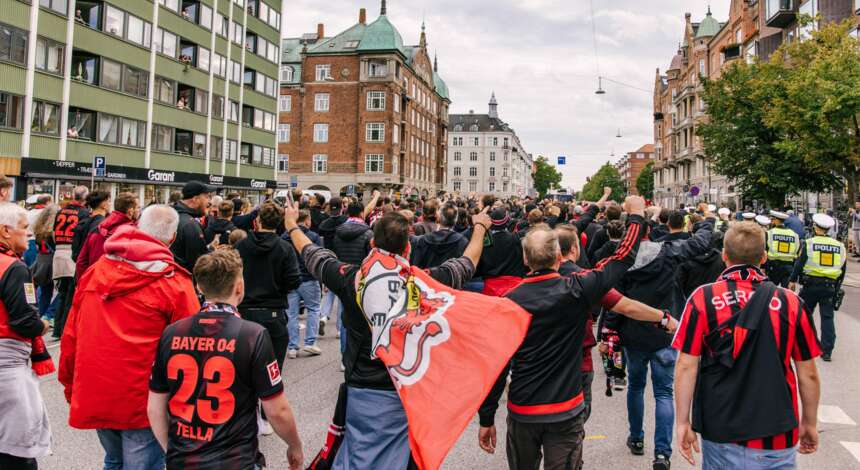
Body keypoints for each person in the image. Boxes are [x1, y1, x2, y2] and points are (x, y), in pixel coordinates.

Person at [284, 201, 493, 469]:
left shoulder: (351, 280)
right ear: (408, 248)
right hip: (407, 389)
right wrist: (478, 227)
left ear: (372, 245)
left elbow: (314, 254)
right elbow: (466, 263)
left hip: (363, 387)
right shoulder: (424, 283)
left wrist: (291, 225)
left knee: (361, 456)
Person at [478, 197, 672, 470]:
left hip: (524, 408)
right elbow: (622, 259)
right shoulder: (577, 288)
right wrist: (638, 216)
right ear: (559, 257)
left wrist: (486, 417)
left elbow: (496, 365)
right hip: (565, 406)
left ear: (525, 258)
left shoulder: (508, 302)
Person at [58, 205, 200, 470]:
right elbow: (191, 350)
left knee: (114, 460)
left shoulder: (96, 272)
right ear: (172, 238)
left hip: (97, 388)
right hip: (144, 398)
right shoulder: (174, 283)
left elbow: (72, 335)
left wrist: (70, 384)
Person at [673, 222, 822, 469]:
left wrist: (682, 422)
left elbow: (686, 365)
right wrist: (810, 422)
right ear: (763, 257)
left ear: (724, 256)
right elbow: (808, 373)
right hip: (777, 429)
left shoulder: (703, 298)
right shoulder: (791, 303)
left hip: (720, 425)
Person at [147, 250, 304, 470]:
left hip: (183, 459)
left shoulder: (172, 332)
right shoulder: (252, 335)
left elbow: (155, 407)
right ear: (239, 287)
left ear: (199, 287)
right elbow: (277, 410)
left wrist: (173, 452)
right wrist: (294, 445)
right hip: (235, 460)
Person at [614, 204, 714, 469]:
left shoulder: (622, 259)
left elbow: (613, 300)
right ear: (652, 232)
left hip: (634, 334)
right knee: (664, 393)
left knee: (635, 387)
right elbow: (702, 242)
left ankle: (636, 438)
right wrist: (705, 220)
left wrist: (609, 332)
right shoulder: (668, 252)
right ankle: (662, 453)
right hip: (665, 330)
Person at [0, 202, 52, 470]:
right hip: (7, 367)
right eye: (24, 229)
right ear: (5, 231)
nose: (29, 235)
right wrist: (41, 325)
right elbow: (24, 321)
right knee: (17, 451)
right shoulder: (14, 267)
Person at [235, 203, 300, 370]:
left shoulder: (241, 246)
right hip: (273, 313)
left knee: (243, 369)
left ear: (257, 221)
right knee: (273, 371)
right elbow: (293, 280)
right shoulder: (285, 248)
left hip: (244, 312)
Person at [789, 213, 846, 362]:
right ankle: (827, 351)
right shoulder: (840, 246)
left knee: (803, 315)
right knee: (827, 317)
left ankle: (804, 343)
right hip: (829, 286)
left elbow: (799, 264)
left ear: (815, 227)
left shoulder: (809, 243)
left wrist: (792, 280)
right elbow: (842, 270)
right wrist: (837, 287)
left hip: (811, 286)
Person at [283, 209, 323, 357]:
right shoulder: (313, 236)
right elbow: (319, 258)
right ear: (307, 221)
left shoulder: (285, 237)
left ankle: (292, 347)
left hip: (291, 279)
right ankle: (310, 343)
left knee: (291, 313)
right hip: (309, 278)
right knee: (313, 309)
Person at [51, 185, 90, 340]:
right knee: (70, 295)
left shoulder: (61, 211)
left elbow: (54, 233)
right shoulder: (84, 213)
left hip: (59, 252)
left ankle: (57, 328)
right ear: (85, 198)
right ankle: (65, 329)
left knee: (61, 293)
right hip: (72, 254)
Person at [76, 192, 139, 280]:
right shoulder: (133, 232)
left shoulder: (98, 228)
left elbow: (81, 261)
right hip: (119, 285)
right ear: (130, 211)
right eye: (138, 207)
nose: (139, 210)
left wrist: (83, 283)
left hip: (94, 282)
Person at [171, 181, 213, 273]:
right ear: (195, 199)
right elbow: (199, 262)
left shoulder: (173, 214)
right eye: (206, 197)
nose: (209, 202)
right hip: (185, 280)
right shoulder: (189, 224)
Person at [410, 202, 468, 269]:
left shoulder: (423, 240)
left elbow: (416, 265)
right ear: (455, 220)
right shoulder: (463, 242)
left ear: (439, 218)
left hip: (426, 277)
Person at [765, 210, 801, 288]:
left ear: (776, 220)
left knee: (771, 292)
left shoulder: (770, 233)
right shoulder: (794, 235)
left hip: (773, 267)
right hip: (788, 267)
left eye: (773, 219)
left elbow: (765, 250)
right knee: (786, 294)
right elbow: (797, 251)